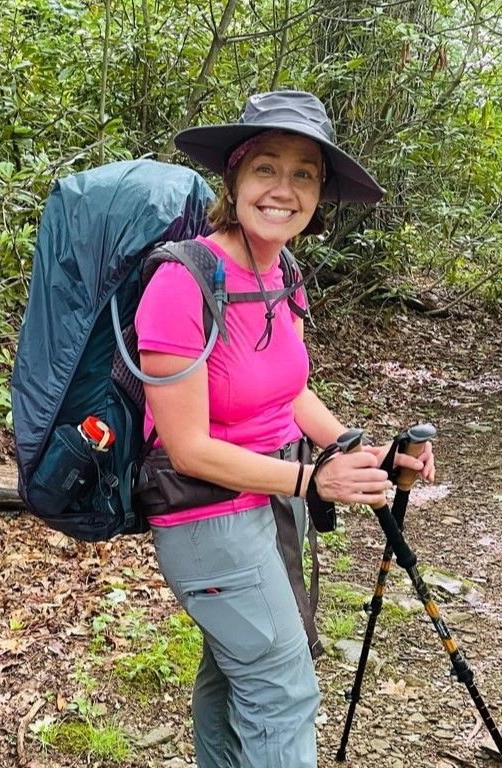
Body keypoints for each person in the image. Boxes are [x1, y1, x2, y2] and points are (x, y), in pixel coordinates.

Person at [135, 90, 435, 767]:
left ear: (320, 193)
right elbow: (187, 448)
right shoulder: (183, 282)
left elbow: (291, 392)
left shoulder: (282, 272)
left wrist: (366, 455)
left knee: (232, 675)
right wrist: (311, 479)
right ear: (234, 177)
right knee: (282, 691)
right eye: (266, 167)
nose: (284, 189)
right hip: (207, 521)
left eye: (304, 174)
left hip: (273, 505)